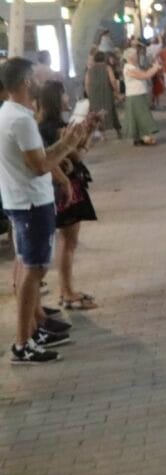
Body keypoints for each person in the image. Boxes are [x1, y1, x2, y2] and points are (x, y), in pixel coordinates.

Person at [2, 59, 89, 363]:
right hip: (30, 203)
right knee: (34, 270)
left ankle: (32, 330)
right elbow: (39, 165)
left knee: (26, 266)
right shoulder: (21, 120)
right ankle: (22, 342)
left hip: (19, 201)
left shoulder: (10, 114)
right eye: (38, 76)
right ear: (26, 82)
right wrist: (68, 143)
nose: (43, 80)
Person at [36, 81, 99, 311]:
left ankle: (67, 290)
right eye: (63, 94)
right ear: (56, 99)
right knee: (68, 242)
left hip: (57, 187)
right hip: (67, 187)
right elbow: (79, 155)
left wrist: (88, 129)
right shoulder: (59, 128)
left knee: (65, 241)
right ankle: (66, 291)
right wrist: (87, 135)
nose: (67, 98)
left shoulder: (42, 126)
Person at [122, 42, 161, 146]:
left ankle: (139, 138)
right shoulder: (129, 68)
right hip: (135, 95)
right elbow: (145, 76)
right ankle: (145, 137)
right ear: (130, 57)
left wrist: (153, 68)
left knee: (137, 117)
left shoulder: (133, 67)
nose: (137, 57)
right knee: (143, 117)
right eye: (135, 55)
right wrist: (155, 68)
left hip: (137, 94)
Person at [84, 50, 122, 137]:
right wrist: (116, 91)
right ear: (104, 58)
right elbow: (112, 80)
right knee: (111, 111)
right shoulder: (107, 67)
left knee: (96, 114)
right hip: (106, 92)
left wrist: (89, 95)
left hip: (94, 94)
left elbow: (86, 84)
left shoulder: (89, 70)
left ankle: (103, 135)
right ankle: (118, 131)